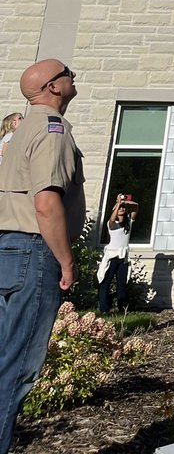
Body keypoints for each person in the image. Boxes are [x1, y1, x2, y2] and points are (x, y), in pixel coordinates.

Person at [0, 60, 84, 454]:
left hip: (9, 251)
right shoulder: (53, 129)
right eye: (68, 73)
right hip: (36, 251)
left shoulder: (21, 131)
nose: (73, 78)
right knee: (16, 370)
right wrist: (66, 261)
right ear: (53, 86)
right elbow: (47, 203)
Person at [97, 194, 139, 313]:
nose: (121, 209)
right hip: (112, 257)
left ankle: (122, 308)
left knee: (122, 285)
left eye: (123, 208)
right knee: (106, 283)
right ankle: (104, 309)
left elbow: (136, 208)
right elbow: (111, 219)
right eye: (119, 208)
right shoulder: (112, 225)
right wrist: (118, 204)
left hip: (123, 258)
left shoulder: (128, 223)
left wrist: (126, 202)